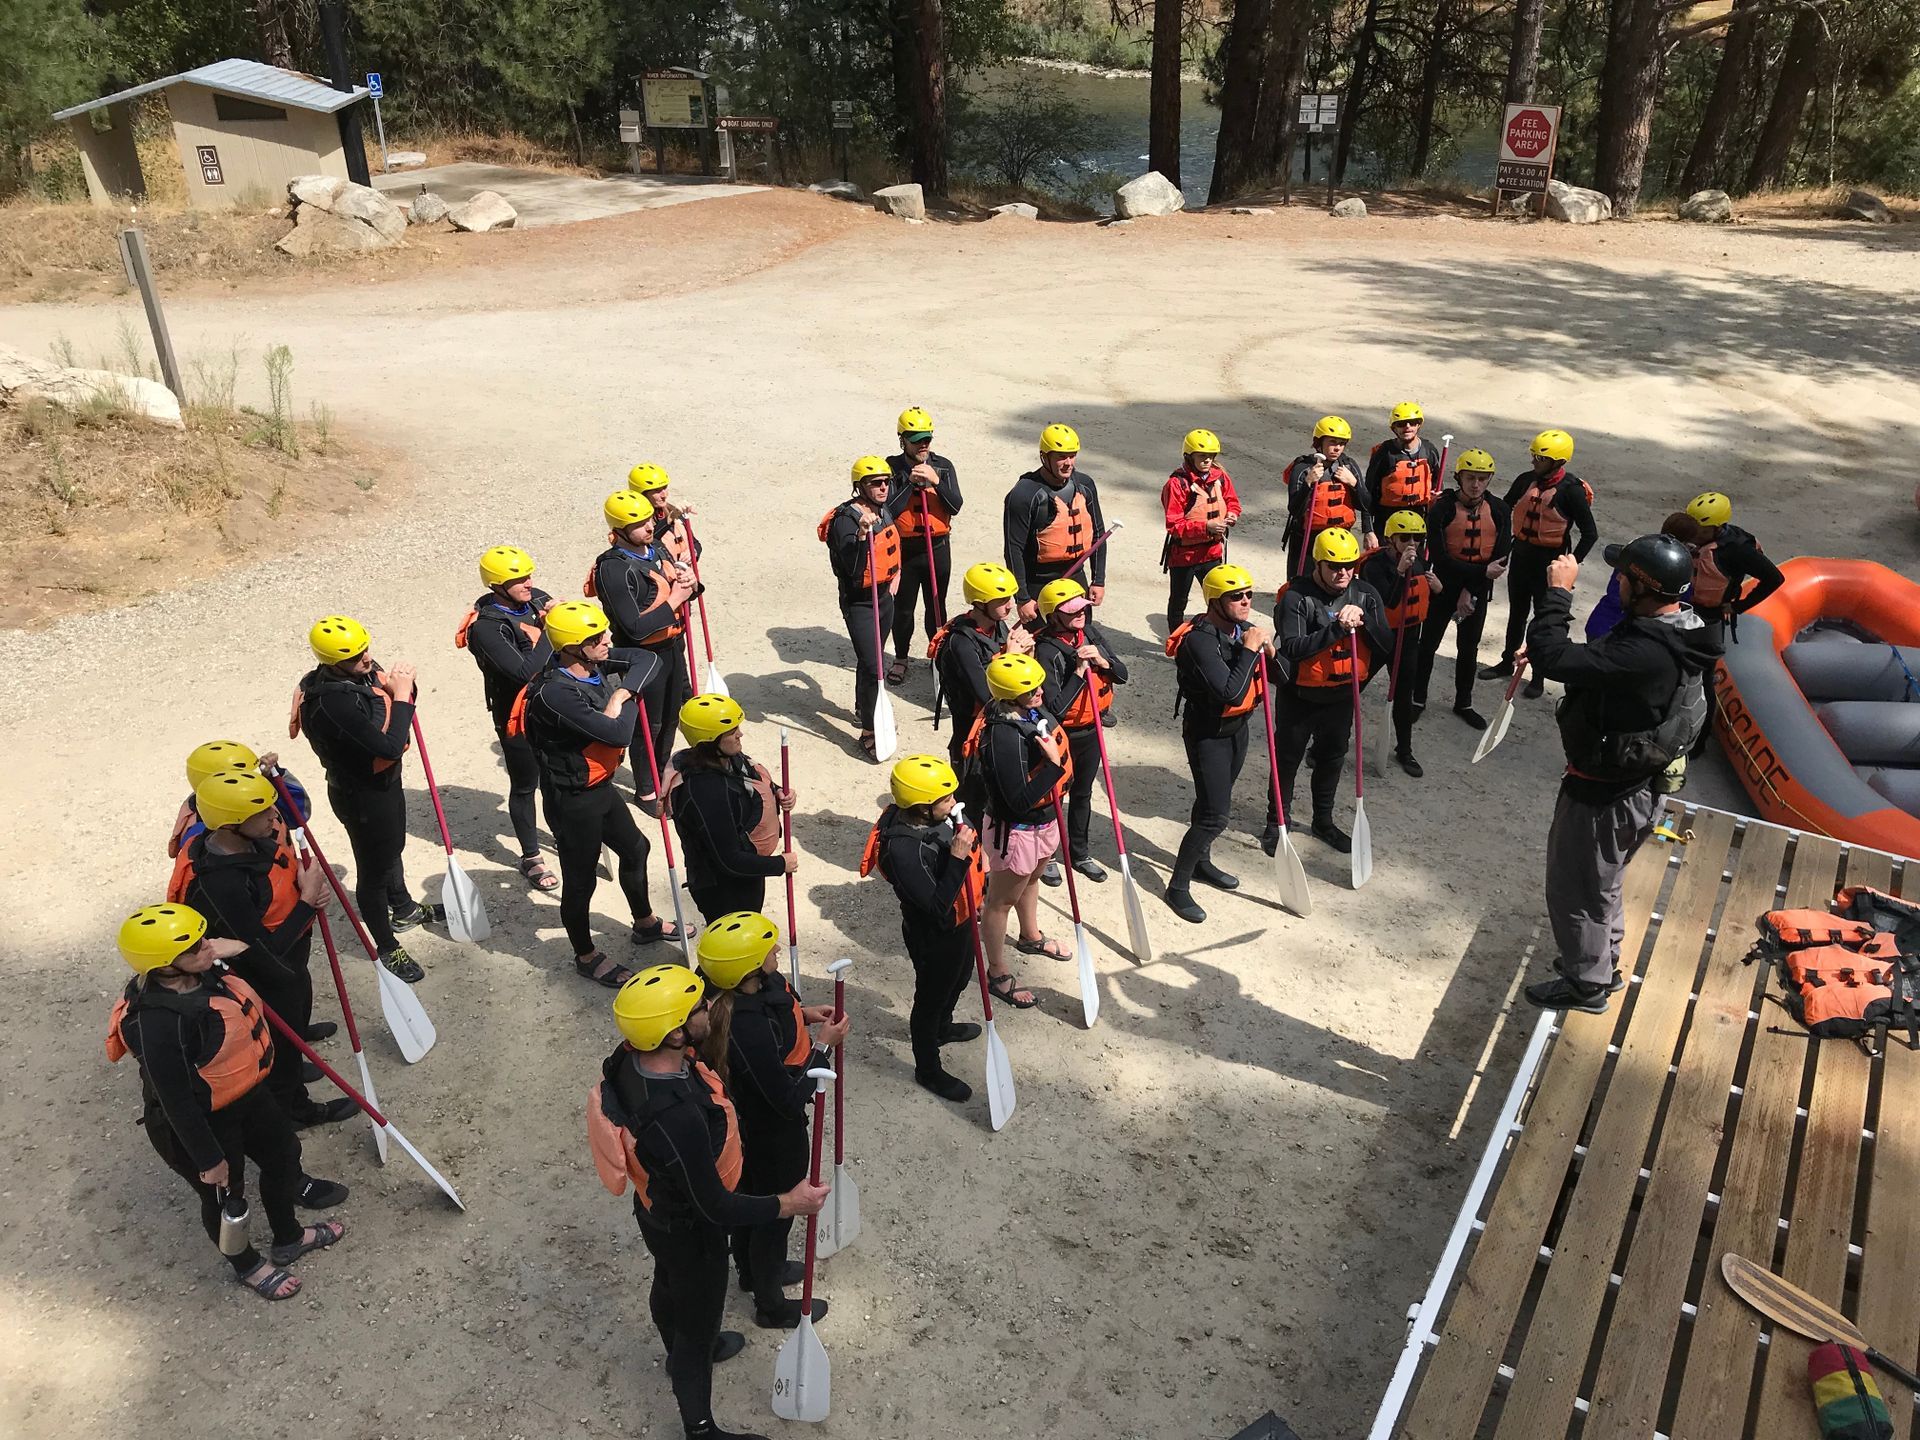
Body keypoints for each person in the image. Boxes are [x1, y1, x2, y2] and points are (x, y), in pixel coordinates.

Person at [588, 965, 828, 1440]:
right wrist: (787, 1203)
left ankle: (681, 1351)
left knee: (668, 1279)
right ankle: (699, 1425)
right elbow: (716, 1207)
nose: (708, 1010)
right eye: (699, 1008)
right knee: (697, 1322)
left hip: (654, 1210)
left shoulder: (629, 1055)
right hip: (689, 1230)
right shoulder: (675, 1117)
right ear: (675, 1033)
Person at [107, 904, 347, 1303]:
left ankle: (288, 1236)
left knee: (285, 1155)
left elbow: (274, 975)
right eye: (194, 946)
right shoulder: (156, 1023)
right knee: (224, 1198)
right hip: (202, 1121)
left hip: (248, 1098)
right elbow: (175, 1100)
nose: (207, 946)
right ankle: (247, 1264)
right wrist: (207, 1159)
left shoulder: (208, 972)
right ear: (165, 965)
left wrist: (241, 950)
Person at [1523, 535, 1718, 1013]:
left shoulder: (1646, 652)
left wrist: (1558, 596)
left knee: (1576, 887)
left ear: (1644, 587)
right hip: (1635, 789)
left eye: (1623, 576)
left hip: (1605, 797)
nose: (1616, 580)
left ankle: (1586, 985)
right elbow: (1594, 665)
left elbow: (1556, 658)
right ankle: (1598, 964)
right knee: (1601, 882)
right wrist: (1565, 660)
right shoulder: (1676, 627)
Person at [514, 600, 686, 988]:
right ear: (572, 646)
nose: (608, 640)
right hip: (571, 799)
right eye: (597, 637)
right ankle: (586, 955)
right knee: (580, 882)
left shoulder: (593, 665)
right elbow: (619, 734)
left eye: (605, 632)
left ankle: (644, 923)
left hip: (599, 787)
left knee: (636, 848)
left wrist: (620, 695)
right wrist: (621, 704)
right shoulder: (556, 693)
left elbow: (647, 661)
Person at [172, 771, 355, 1129]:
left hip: (289, 963)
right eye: (265, 814)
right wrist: (306, 901)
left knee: (296, 1016)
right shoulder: (223, 883)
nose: (276, 817)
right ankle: (295, 1111)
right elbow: (265, 958)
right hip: (267, 977)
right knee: (281, 1051)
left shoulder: (252, 843)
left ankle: (294, 1048)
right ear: (232, 824)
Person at [693, 913, 846, 1329]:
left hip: (756, 1130)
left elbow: (781, 1011)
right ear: (746, 969)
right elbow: (788, 1100)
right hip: (769, 1137)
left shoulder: (755, 988)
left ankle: (749, 1271)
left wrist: (806, 1014)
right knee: (773, 1217)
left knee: (755, 1204)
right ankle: (769, 1301)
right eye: (769, 950)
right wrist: (823, 1050)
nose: (778, 951)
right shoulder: (745, 1026)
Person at [293, 614, 438, 983]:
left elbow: (388, 692)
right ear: (331, 662)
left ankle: (403, 907)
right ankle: (387, 946)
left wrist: (403, 687)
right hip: (361, 796)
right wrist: (403, 695)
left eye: (365, 649)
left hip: (385, 785)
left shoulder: (361, 671)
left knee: (394, 849)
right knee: (373, 871)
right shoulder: (332, 705)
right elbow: (389, 745)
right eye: (356, 656)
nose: (367, 659)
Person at [863, 755, 984, 1102]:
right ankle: (927, 1068)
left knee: (961, 977)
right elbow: (934, 907)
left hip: (960, 924)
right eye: (945, 800)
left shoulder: (939, 816)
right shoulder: (903, 849)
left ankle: (943, 1027)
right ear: (921, 807)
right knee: (930, 1000)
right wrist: (960, 859)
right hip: (933, 934)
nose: (954, 803)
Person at [1266, 528, 1392, 855]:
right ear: (1317, 564)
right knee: (1287, 760)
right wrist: (1337, 628)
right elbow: (1293, 648)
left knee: (1332, 759)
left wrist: (1364, 620)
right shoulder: (1296, 597)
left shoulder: (1364, 594)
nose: (1344, 573)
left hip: (1340, 697)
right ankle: (1276, 822)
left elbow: (1386, 645)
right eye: (1335, 566)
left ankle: (1324, 821)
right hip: (1300, 697)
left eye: (1350, 565)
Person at [1164, 564, 1269, 924]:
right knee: (1215, 816)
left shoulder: (1244, 631)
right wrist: (1251, 652)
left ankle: (1202, 863)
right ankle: (1177, 886)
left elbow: (1283, 675)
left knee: (1209, 803)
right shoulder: (1199, 641)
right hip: (1208, 734)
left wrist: (1267, 650)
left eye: (1249, 594)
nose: (1246, 602)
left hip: (1238, 732)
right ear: (1215, 601)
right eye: (1236, 597)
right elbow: (1229, 691)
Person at [456, 544, 559, 891]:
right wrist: (553, 629)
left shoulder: (535, 600)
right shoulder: (487, 629)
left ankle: (563, 832)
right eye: (519, 579)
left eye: (529, 575)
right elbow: (523, 671)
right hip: (516, 715)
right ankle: (531, 856)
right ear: (498, 585)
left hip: (553, 706)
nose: (530, 583)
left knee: (558, 776)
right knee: (527, 782)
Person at [970, 654, 1069, 1008]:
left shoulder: (1031, 711)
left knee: (1032, 880)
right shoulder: (1003, 737)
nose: (1042, 691)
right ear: (1011, 697)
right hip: (1015, 830)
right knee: (1000, 901)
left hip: (1044, 823)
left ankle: (1030, 935)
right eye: (1032, 690)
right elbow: (1016, 801)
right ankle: (997, 972)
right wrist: (1054, 765)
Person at [593, 488, 699, 811]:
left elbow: (682, 592)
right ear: (620, 531)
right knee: (648, 723)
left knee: (670, 717)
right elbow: (633, 628)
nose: (650, 527)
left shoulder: (654, 549)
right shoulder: (612, 568)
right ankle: (645, 789)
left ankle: (659, 770)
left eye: (648, 520)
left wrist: (690, 584)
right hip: (642, 655)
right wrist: (675, 600)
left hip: (671, 645)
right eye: (639, 524)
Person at [663, 694, 796, 923]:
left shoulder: (729, 759)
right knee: (734, 950)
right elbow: (729, 860)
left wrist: (778, 792)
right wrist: (780, 864)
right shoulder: (707, 791)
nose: (740, 734)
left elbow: (753, 782)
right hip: (722, 888)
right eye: (732, 731)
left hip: (747, 872)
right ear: (710, 740)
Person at [1484, 429, 1596, 700]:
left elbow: (1590, 533)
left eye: (1541, 457)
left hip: (1550, 564)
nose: (1534, 460)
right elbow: (1502, 509)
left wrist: (1571, 563)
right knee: (1517, 614)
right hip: (1522, 557)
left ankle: (1538, 676)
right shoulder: (1525, 481)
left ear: (1558, 461)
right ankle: (1505, 662)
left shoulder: (1571, 491)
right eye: (1534, 455)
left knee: (1544, 620)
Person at [1032, 578, 1130, 882]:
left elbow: (1122, 674)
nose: (1081, 614)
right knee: (1054, 796)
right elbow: (1056, 708)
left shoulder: (1089, 633)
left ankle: (1079, 853)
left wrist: (1102, 661)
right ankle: (1045, 857)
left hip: (1092, 731)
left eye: (1083, 608)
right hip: (1062, 736)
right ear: (1053, 614)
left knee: (1083, 793)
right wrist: (1077, 672)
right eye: (1072, 610)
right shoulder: (1046, 651)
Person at [821, 456, 910, 760]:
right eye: (876, 483)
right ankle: (869, 730)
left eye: (886, 481)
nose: (884, 487)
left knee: (869, 659)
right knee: (874, 666)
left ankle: (862, 707)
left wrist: (895, 572)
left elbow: (893, 544)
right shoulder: (847, 519)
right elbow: (853, 569)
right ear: (861, 486)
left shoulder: (882, 509)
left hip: (884, 597)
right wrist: (860, 536)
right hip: (860, 602)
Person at [1418, 448, 1512, 729]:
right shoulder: (1442, 510)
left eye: (1483, 479)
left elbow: (1500, 558)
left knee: (1468, 648)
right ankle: (1417, 699)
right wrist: (1480, 573)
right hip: (1443, 586)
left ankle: (1464, 702)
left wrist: (1471, 589)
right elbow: (1439, 557)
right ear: (1459, 477)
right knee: (1428, 645)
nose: (1476, 485)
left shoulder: (1499, 510)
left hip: (1476, 590)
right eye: (1471, 478)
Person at [1359, 512, 1440, 777]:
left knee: (1404, 697)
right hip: (1378, 639)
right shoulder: (1373, 566)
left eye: (1417, 538)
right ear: (1390, 539)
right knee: (1351, 689)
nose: (1412, 543)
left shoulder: (1422, 564)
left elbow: (1426, 606)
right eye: (1405, 538)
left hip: (1407, 640)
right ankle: (1320, 744)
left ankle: (1404, 750)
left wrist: (1439, 590)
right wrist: (1399, 571)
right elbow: (1386, 603)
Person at [887, 406, 964, 682]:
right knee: (904, 607)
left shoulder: (943, 466)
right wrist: (909, 483)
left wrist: (936, 481)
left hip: (938, 547)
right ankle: (901, 657)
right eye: (916, 439)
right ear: (902, 440)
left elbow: (955, 505)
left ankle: (938, 655)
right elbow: (889, 511)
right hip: (906, 551)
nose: (923, 445)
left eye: (927, 439)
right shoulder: (892, 468)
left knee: (936, 605)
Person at [1003, 424, 1108, 626]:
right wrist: (1022, 598)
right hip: (1039, 584)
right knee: (1041, 647)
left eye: (1072, 455)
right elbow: (1013, 549)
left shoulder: (1085, 485)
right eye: (1061, 456)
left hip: (1076, 578)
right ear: (1045, 457)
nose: (1068, 463)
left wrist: (1098, 580)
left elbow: (1098, 535)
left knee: (1080, 639)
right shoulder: (1024, 494)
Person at [929, 562, 1032, 767]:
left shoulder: (997, 624)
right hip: (971, 732)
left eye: (1010, 598)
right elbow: (987, 696)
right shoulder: (961, 643)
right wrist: (1010, 658)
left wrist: (1028, 655)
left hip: (997, 725)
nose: (1010, 605)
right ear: (980, 603)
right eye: (1002, 600)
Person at [1669, 491, 1783, 645]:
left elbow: (1774, 578)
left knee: (1702, 660)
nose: (1694, 534)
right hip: (1678, 603)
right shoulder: (1690, 534)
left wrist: (1739, 606)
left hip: (1709, 615)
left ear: (1718, 528)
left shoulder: (1737, 550)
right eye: (1692, 527)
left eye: (1702, 530)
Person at [167, 740, 309, 862]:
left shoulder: (256, 801)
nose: (254, 781)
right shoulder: (202, 839)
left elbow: (299, 815)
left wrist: (274, 778)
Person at [1160, 427, 1242, 634]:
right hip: (1184, 557)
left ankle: (1220, 637)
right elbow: (1174, 525)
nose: (1207, 461)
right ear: (1189, 456)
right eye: (1202, 456)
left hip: (1212, 552)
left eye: (1210, 456)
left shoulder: (1220, 477)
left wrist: (1232, 515)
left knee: (1220, 597)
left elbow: (1233, 502)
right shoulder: (1176, 484)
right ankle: (1176, 642)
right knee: (1178, 601)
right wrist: (1206, 526)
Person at [1284, 415, 1372, 576]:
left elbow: (1366, 504)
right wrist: (1308, 483)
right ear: (1319, 443)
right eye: (1332, 442)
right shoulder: (1303, 468)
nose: (1337, 448)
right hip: (1308, 541)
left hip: (1341, 539)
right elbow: (1295, 509)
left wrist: (1354, 484)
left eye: (1341, 443)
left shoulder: (1349, 466)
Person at [1363, 402, 1443, 531]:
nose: (1407, 427)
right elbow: (1369, 493)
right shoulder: (1384, 453)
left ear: (1418, 425)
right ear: (1394, 428)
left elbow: (1438, 485)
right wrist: (1368, 530)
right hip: (1387, 520)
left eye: (1412, 422)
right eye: (1401, 424)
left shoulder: (1429, 450)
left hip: (1419, 519)